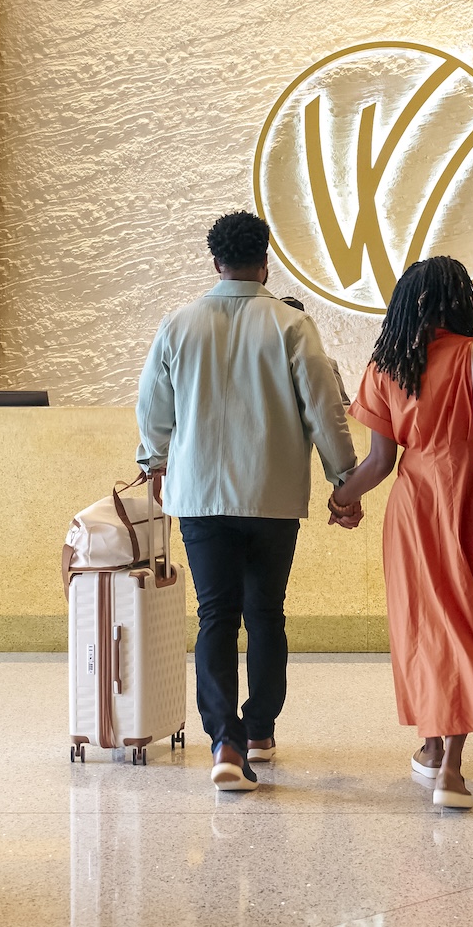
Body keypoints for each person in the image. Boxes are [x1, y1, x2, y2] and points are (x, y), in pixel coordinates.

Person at [326, 257, 473, 810]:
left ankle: (434, 747)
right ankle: (450, 772)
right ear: (461, 299)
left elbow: (380, 462)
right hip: (467, 500)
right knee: (467, 620)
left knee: (423, 627)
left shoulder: (386, 365)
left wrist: (342, 498)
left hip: (412, 506)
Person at [135, 211, 358, 792]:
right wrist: (344, 479)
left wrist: (154, 462)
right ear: (266, 262)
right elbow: (324, 406)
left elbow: (153, 408)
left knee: (215, 614)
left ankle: (224, 742)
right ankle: (258, 726)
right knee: (265, 612)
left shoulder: (178, 324)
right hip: (272, 494)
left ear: (215, 263)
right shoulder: (290, 325)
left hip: (201, 496)